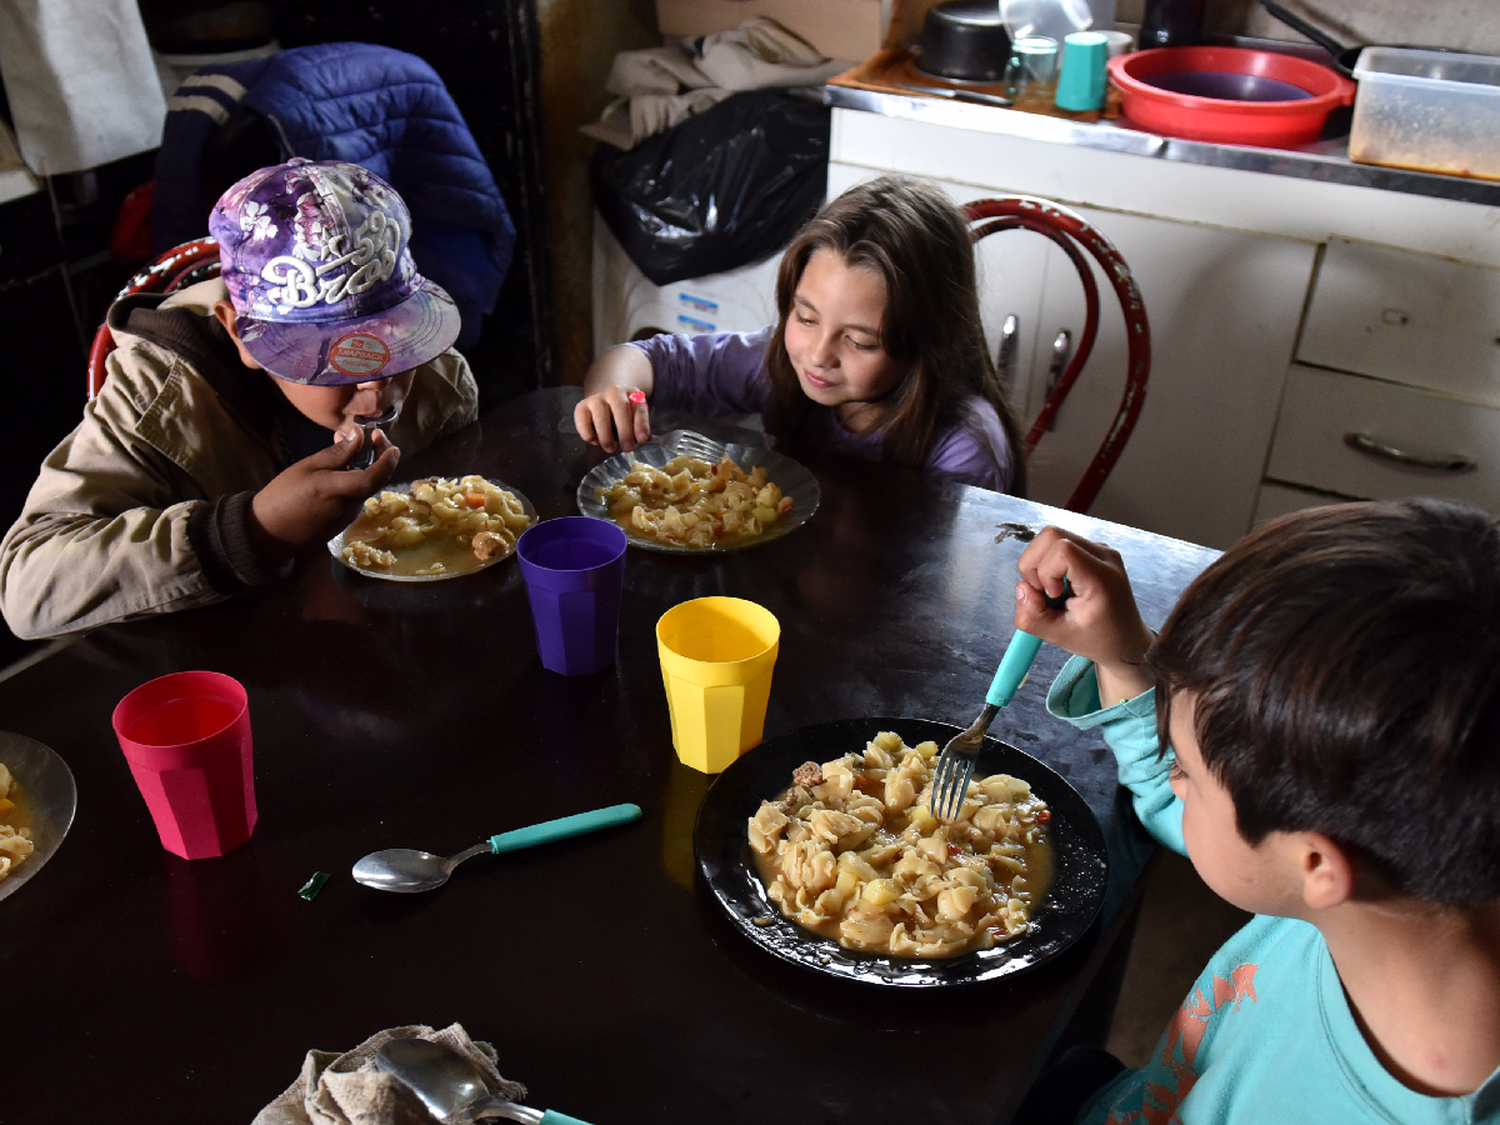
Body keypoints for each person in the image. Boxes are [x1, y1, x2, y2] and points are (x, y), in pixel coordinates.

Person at [1012, 499, 1500, 1124]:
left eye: (1184, 770)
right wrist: (1123, 652)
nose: (1173, 780)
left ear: (1320, 863)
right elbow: (1237, 833)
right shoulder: (1400, 873)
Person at [0, 158, 478, 640]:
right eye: (337, 363)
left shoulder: (436, 372)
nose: (379, 387)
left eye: (394, 345)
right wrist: (248, 535)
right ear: (243, 335)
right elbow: (29, 587)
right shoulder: (156, 396)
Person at [574, 175, 1026, 494]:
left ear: (927, 341)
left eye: (860, 341)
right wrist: (618, 393)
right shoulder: (774, 363)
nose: (817, 354)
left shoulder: (966, 449)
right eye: (806, 318)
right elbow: (645, 358)